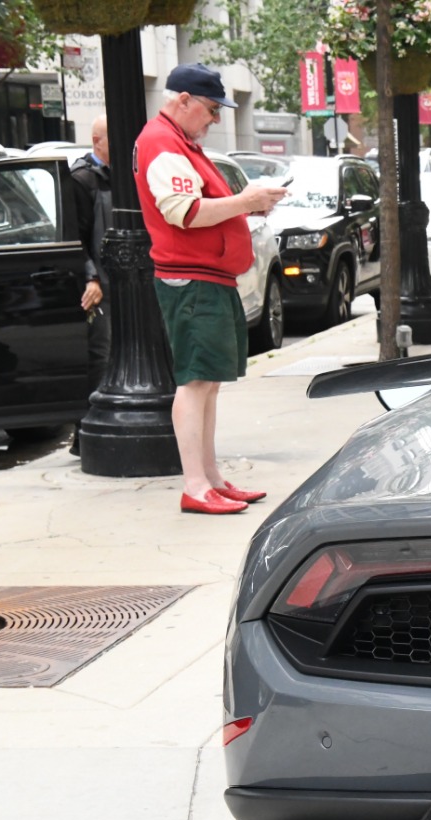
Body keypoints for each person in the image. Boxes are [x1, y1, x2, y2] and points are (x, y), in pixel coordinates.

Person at [135, 64, 287, 514]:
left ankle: (209, 479)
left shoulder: (178, 143)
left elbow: (196, 208)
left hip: (207, 276)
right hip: (193, 277)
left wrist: (246, 208)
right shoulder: (163, 144)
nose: (215, 119)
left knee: (207, 382)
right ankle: (196, 485)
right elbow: (183, 212)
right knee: (197, 381)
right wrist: (246, 202)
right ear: (183, 100)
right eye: (211, 109)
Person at [67, 115, 111, 456]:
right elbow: (76, 237)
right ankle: (89, 434)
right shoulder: (83, 180)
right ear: (97, 141)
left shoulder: (125, 176)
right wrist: (91, 277)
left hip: (126, 285)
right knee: (101, 357)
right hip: (101, 286)